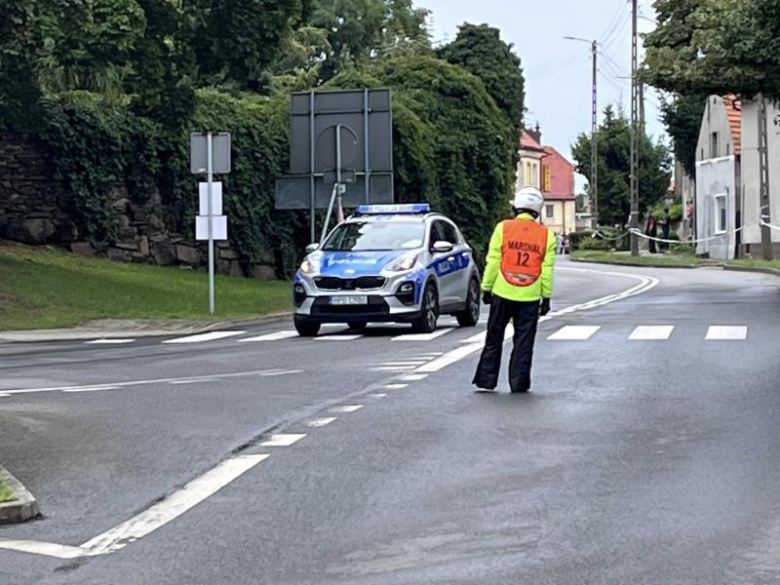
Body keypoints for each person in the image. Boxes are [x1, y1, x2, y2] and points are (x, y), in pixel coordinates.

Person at [473, 186, 556, 394]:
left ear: (516, 207)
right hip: (530, 295)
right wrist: (545, 297)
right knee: (524, 342)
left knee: (494, 337)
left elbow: (493, 261)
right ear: (537, 211)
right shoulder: (547, 236)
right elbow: (546, 270)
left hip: (502, 291)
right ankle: (519, 383)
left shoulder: (503, 228)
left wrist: (486, 288)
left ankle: (486, 380)